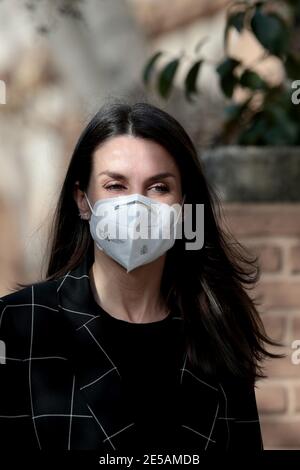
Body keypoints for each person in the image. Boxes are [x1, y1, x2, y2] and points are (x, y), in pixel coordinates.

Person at [0, 102, 280, 452]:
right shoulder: (16, 325)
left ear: (184, 204)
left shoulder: (219, 330)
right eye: (115, 186)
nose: (136, 207)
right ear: (82, 200)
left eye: (158, 187)